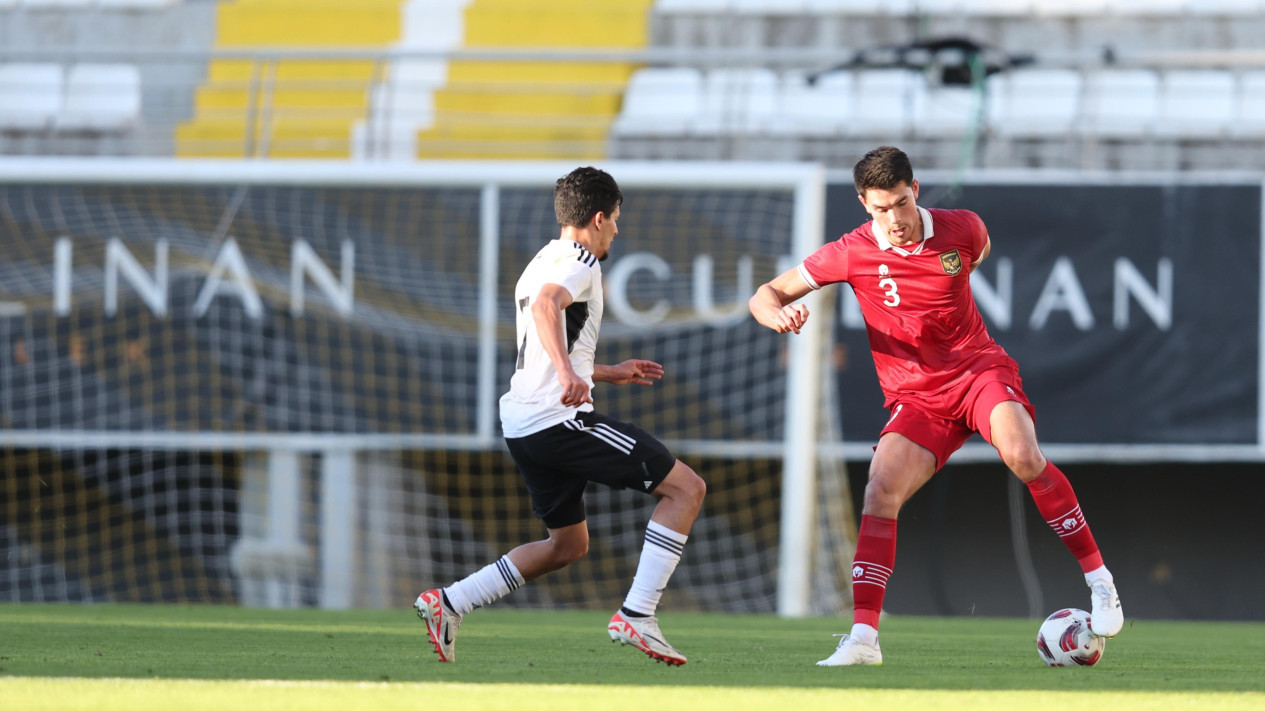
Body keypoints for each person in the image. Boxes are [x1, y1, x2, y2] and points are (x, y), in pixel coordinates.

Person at [748, 146, 1124, 667]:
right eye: (880, 209)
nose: (894, 219)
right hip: (917, 398)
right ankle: (862, 638)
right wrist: (773, 315)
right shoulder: (851, 251)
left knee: (1022, 454)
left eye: (900, 203)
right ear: (863, 204)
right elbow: (767, 293)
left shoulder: (962, 229)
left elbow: (981, 250)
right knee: (880, 490)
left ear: (915, 189)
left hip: (977, 372)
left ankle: (1100, 582)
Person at [415, 166, 707, 667]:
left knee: (567, 544)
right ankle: (638, 614)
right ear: (597, 218)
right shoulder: (581, 260)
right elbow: (548, 308)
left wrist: (605, 372)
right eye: (616, 220)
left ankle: (451, 602)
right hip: (559, 420)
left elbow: (550, 328)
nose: (617, 230)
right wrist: (570, 378)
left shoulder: (543, 258)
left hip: (524, 426)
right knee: (687, 489)